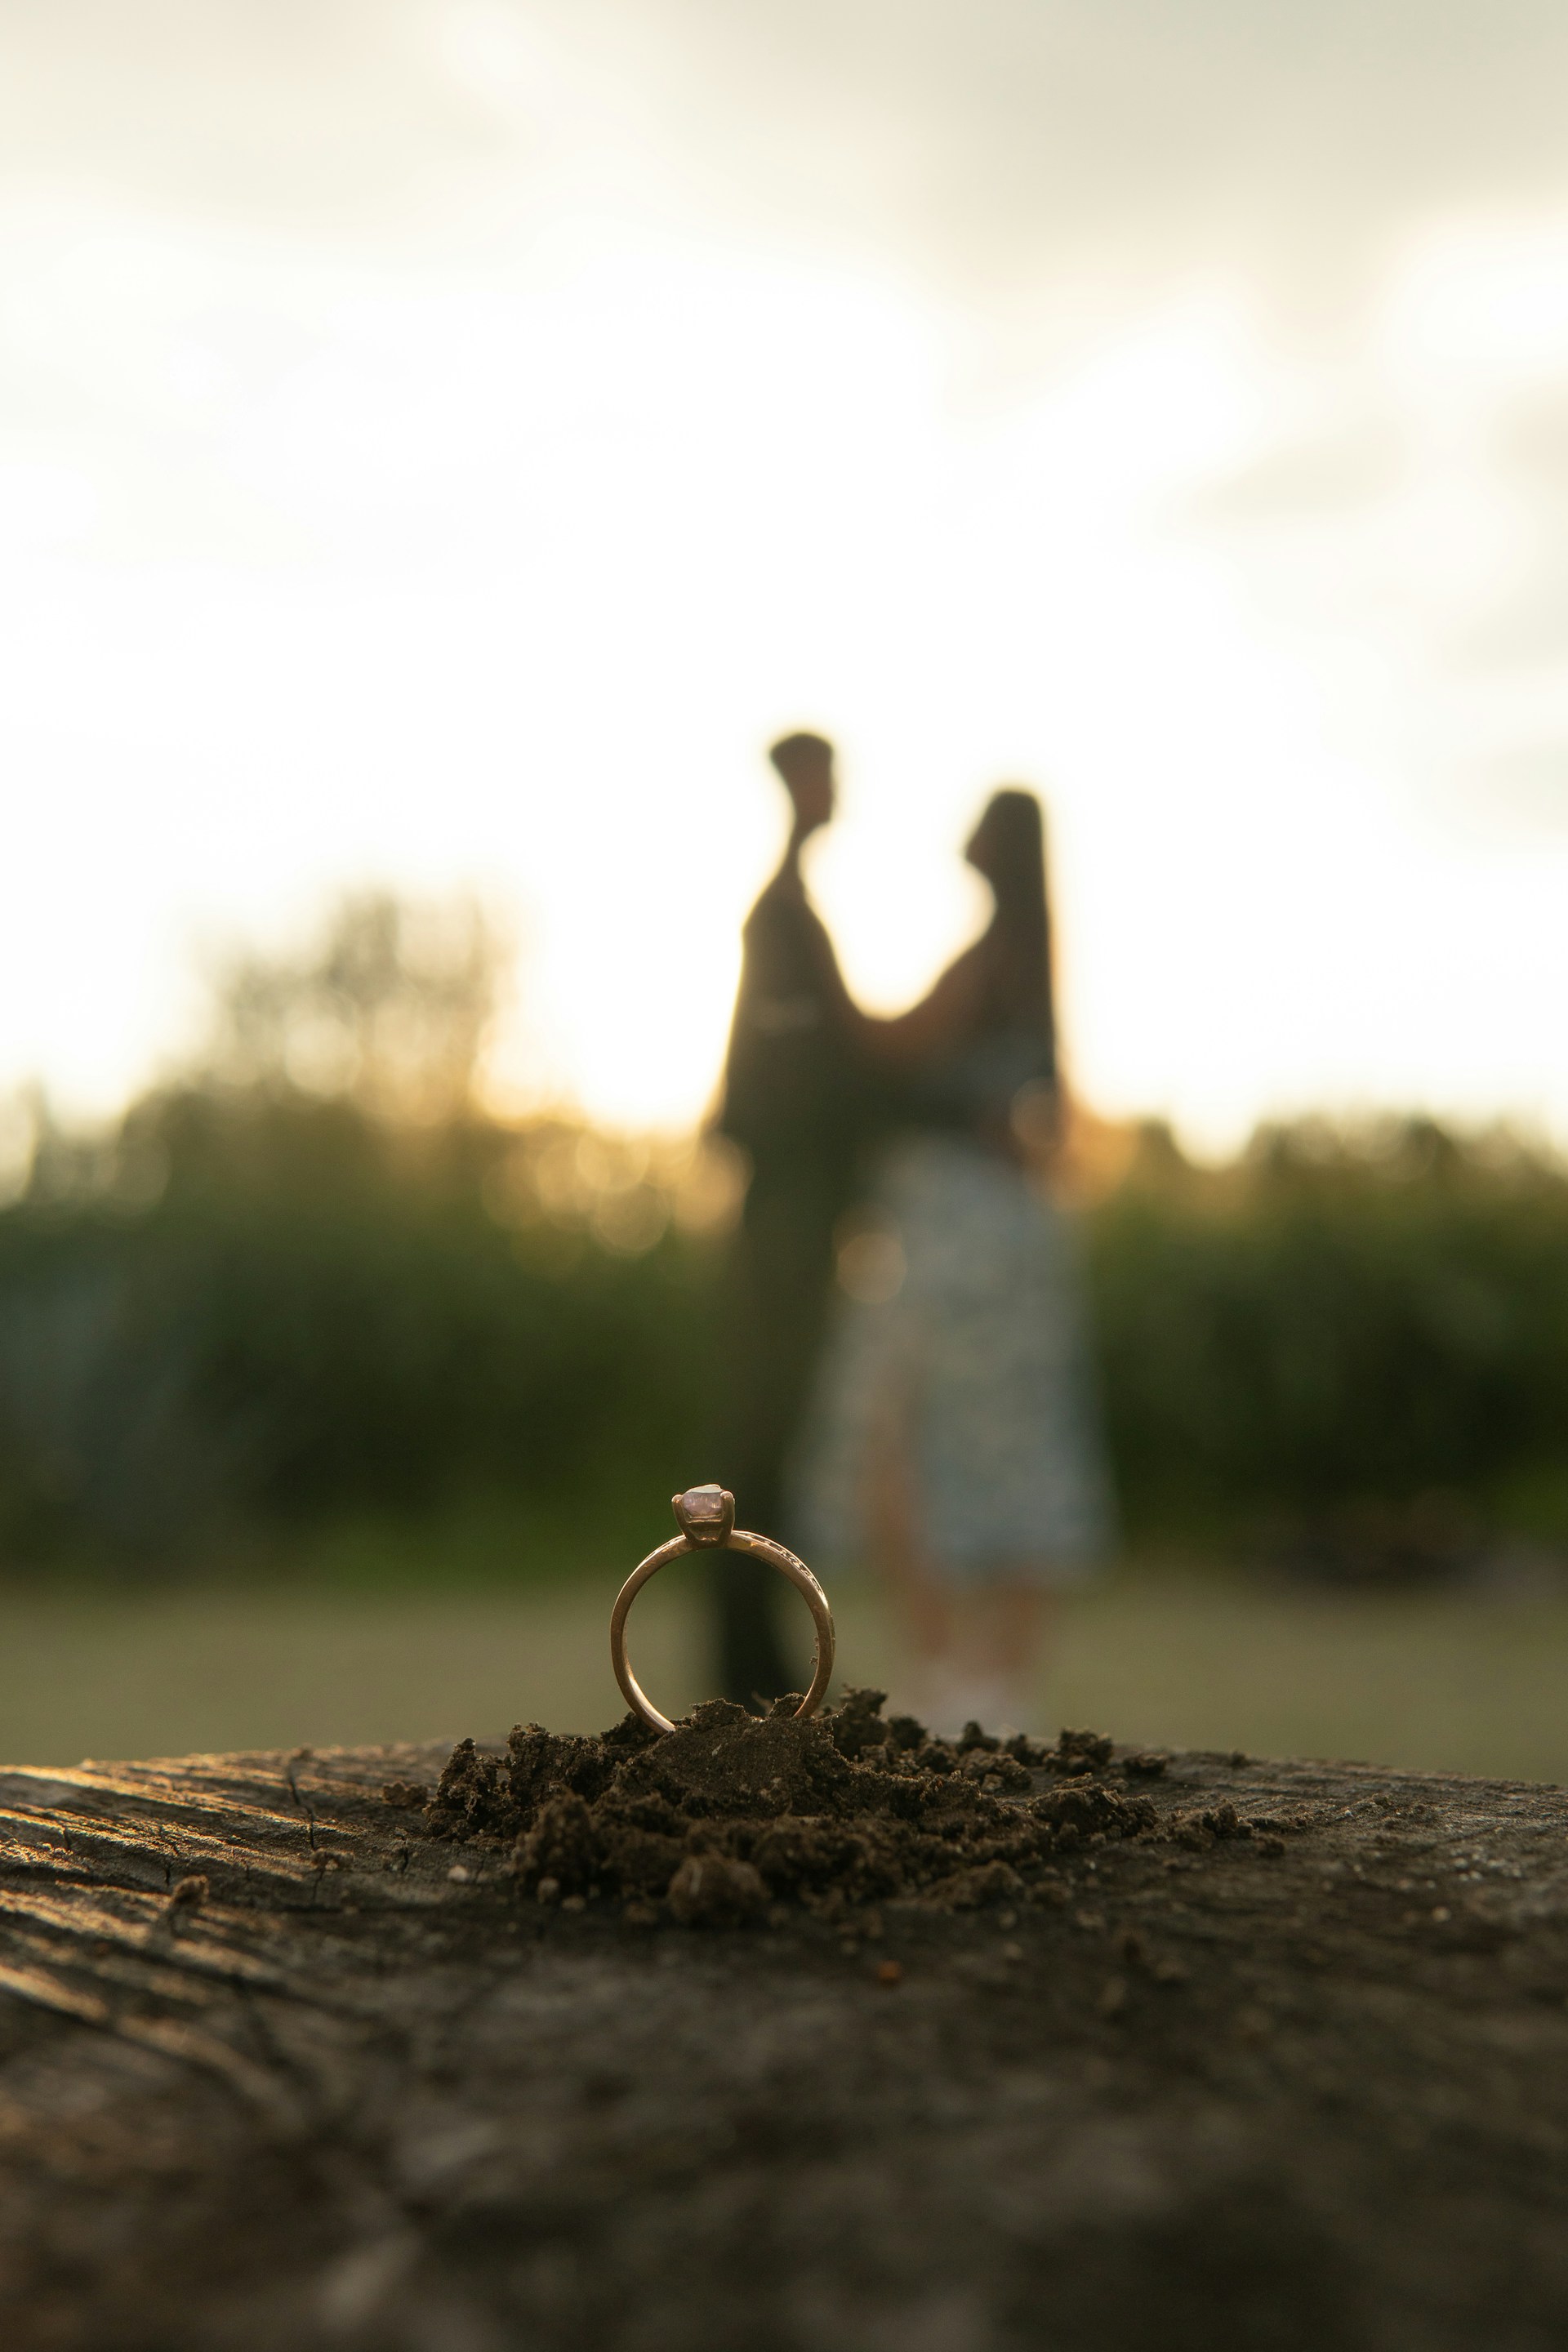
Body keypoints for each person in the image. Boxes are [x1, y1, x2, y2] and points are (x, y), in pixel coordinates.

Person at [791, 787, 1114, 1736]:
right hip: (1013, 1230)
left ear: (996, 845)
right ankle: (996, 1678)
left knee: (891, 1433)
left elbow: (889, 1046)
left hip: (951, 1231)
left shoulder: (987, 959)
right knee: (1016, 1439)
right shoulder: (1033, 962)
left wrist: (818, 972)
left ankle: (948, 1664)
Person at [710, 732, 870, 1704]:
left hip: (788, 1199)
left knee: (774, 1424)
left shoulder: (785, 910)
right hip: (788, 1208)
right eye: (829, 777)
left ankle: (760, 1656)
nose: (838, 793)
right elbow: (819, 1065)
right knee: (763, 1421)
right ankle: (748, 1662)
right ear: (801, 785)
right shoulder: (782, 915)